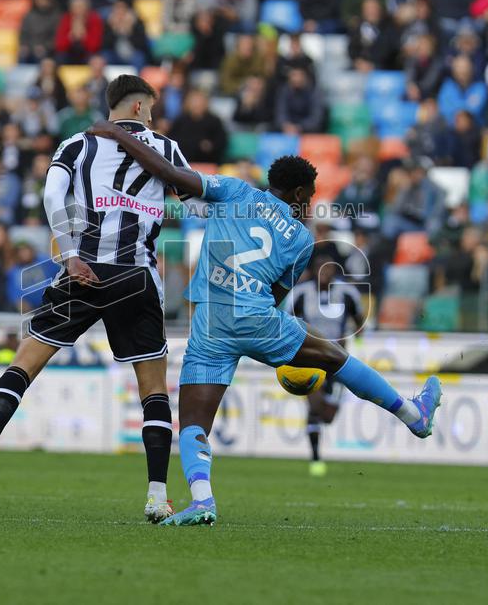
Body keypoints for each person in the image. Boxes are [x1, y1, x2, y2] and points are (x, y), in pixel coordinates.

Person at [88, 120, 441, 526]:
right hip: (255, 315)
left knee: (194, 423)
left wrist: (120, 135)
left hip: (210, 321)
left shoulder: (235, 190)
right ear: (296, 193)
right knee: (336, 357)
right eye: (309, 196)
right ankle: (413, 415)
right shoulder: (303, 240)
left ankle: (202, 500)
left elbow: (169, 175)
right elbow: (276, 296)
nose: (310, 203)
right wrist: (273, 345)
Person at [0, 76, 194, 524]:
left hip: (82, 272)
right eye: (152, 108)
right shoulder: (166, 148)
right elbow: (189, 191)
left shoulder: (77, 144)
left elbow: (50, 194)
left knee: (23, 365)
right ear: (139, 108)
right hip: (136, 277)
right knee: (153, 390)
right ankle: (157, 495)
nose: (154, 116)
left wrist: (72, 253)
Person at [285, 254, 366, 476]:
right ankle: (315, 458)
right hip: (310, 359)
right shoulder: (300, 293)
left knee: (328, 417)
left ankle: (324, 415)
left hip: (337, 360)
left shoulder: (348, 293)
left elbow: (360, 321)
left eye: (328, 268)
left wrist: (353, 337)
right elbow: (285, 321)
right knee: (314, 407)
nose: (325, 273)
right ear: (312, 271)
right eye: (320, 268)